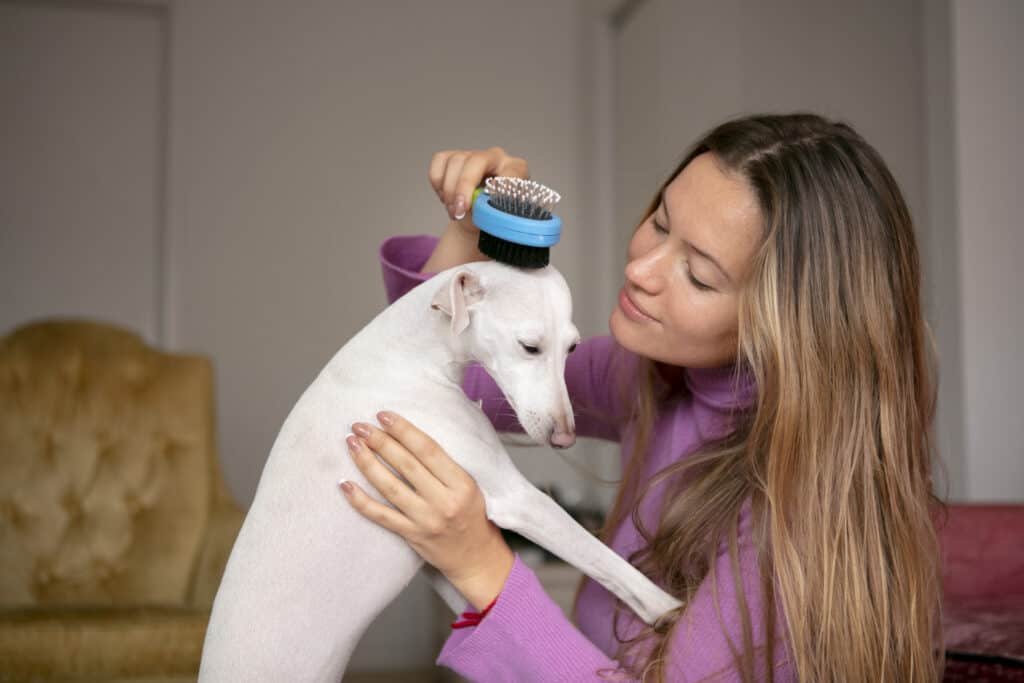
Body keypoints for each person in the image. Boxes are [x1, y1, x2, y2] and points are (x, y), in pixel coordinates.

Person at [338, 113, 943, 681]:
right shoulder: (650, 376)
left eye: (700, 275)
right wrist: (471, 231)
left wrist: (482, 568)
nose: (643, 269)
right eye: (660, 221)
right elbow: (454, 377)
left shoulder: (795, 515)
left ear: (788, 327)